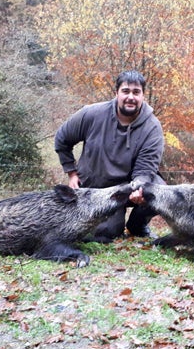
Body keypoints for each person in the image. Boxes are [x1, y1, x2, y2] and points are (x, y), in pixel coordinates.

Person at [54, 70, 165, 242]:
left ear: (143, 95)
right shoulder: (91, 114)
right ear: (117, 93)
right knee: (105, 233)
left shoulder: (152, 128)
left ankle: (137, 225)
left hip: (127, 187)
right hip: (95, 188)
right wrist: (71, 172)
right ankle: (113, 222)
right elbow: (62, 139)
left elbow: (145, 168)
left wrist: (138, 189)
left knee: (159, 189)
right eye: (126, 91)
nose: (131, 97)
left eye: (136, 92)